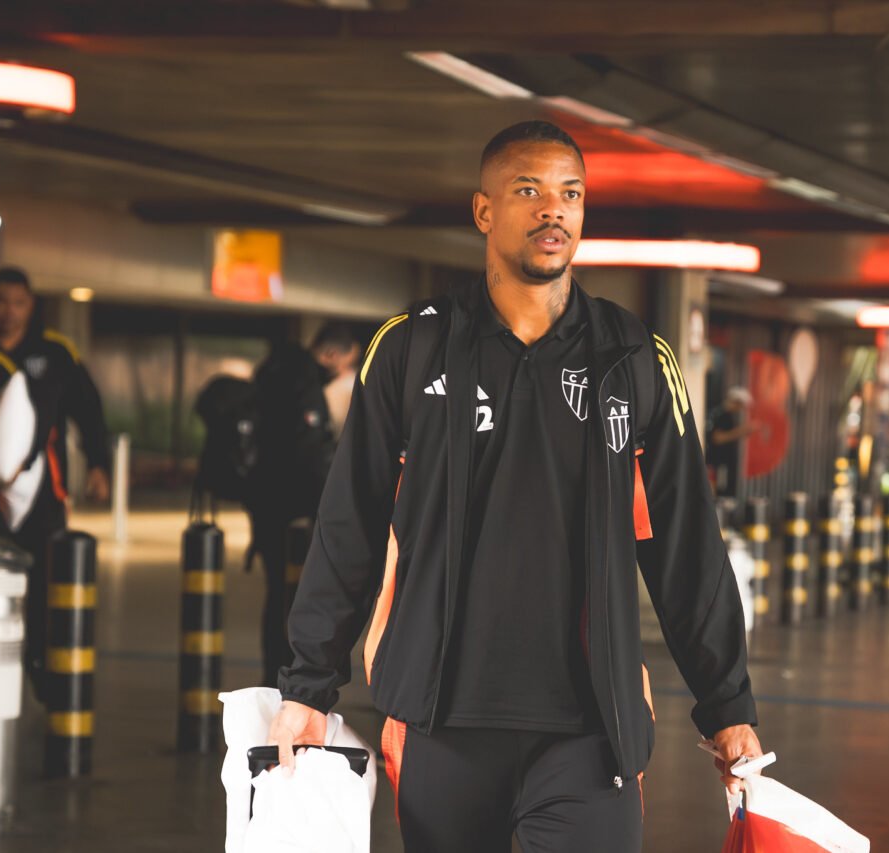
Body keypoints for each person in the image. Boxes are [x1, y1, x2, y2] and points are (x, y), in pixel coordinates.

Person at [268, 121, 761, 852]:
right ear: (484, 211)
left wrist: (728, 703)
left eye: (570, 194)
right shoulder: (412, 346)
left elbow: (687, 544)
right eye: (528, 191)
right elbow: (350, 524)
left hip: (591, 730)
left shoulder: (634, 359)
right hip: (443, 723)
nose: (552, 211)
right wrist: (308, 685)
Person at [0, 266, 111, 700]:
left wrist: (99, 465)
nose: (8, 312)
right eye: (1, 302)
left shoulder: (54, 354)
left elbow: (88, 411)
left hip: (43, 496)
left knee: (42, 584)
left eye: (17, 303)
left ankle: (39, 667)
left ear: (30, 305)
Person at [248, 321, 356, 686]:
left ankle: (272, 675)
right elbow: (311, 456)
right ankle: (289, 677)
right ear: (330, 354)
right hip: (294, 514)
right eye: (343, 365)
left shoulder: (272, 375)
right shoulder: (304, 385)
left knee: (276, 592)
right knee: (298, 597)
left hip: (264, 506)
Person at [707, 386, 756, 496]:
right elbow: (717, 438)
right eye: (741, 406)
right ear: (736, 402)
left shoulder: (717, 412)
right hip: (719, 463)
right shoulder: (723, 415)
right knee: (721, 492)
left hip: (719, 462)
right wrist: (742, 431)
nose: (741, 409)